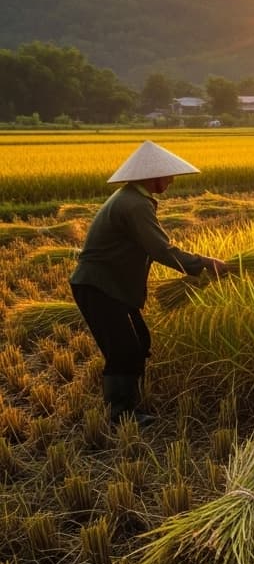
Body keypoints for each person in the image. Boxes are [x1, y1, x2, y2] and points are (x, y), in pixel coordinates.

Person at [69, 141, 228, 426]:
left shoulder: (130, 197)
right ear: (150, 176)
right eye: (167, 175)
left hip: (109, 285)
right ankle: (121, 414)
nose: (171, 180)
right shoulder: (134, 205)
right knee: (124, 349)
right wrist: (204, 264)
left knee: (138, 342)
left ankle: (130, 399)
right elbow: (160, 250)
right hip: (99, 285)